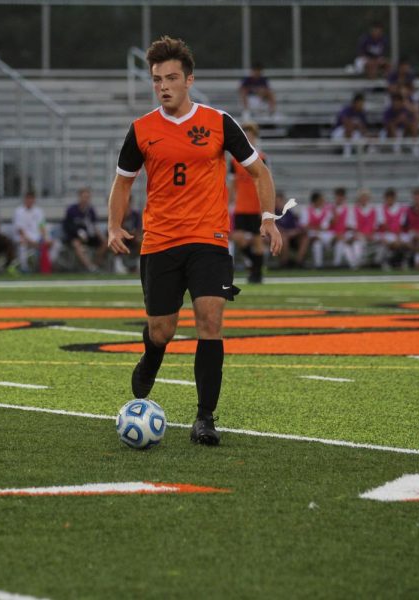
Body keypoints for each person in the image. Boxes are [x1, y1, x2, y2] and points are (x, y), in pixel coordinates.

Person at [106, 36, 282, 446]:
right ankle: (153, 353)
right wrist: (114, 227)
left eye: (170, 78)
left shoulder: (219, 122)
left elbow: (260, 172)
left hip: (209, 239)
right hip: (161, 242)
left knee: (210, 321)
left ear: (189, 80)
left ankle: (205, 419)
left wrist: (269, 219)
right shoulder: (141, 130)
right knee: (163, 330)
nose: (163, 86)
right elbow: (122, 184)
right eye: (156, 79)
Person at [229, 121, 268, 282]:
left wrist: (265, 206)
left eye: (250, 134)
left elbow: (266, 181)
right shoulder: (234, 160)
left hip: (256, 206)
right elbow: (232, 183)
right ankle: (255, 266)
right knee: (238, 238)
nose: (248, 137)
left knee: (258, 241)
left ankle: (256, 274)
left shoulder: (262, 158)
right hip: (241, 206)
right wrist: (230, 202)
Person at [63, 187, 106, 272]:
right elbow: (67, 226)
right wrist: (78, 233)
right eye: (84, 197)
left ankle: (96, 264)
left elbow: (94, 226)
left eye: (87, 197)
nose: (85, 199)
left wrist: (102, 238)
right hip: (75, 236)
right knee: (76, 243)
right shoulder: (72, 210)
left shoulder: (90, 211)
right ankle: (90, 267)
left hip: (89, 236)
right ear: (79, 197)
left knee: (105, 242)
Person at [12, 190, 50, 273]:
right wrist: (31, 242)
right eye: (28, 199)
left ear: (34, 200)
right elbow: (20, 230)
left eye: (31, 199)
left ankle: (46, 267)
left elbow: (42, 226)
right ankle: (24, 267)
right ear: (25, 199)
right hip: (23, 237)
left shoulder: (39, 211)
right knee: (22, 243)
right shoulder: (19, 211)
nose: (29, 201)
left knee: (53, 243)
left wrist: (44, 239)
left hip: (36, 237)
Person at [376, 188, 408, 268]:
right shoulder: (380, 209)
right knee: (392, 242)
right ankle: (389, 261)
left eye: (391, 198)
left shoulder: (401, 208)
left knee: (407, 243)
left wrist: (398, 236)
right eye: (388, 198)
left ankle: (402, 260)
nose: (390, 200)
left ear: (394, 198)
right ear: (385, 198)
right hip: (386, 233)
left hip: (398, 233)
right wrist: (396, 235)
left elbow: (401, 225)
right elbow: (384, 225)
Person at [274, 191, 307, 268]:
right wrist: (287, 233)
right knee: (284, 238)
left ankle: (299, 262)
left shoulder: (289, 213)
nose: (278, 203)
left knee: (304, 238)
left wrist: (295, 232)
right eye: (276, 201)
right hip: (279, 237)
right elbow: (275, 227)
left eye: (280, 201)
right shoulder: (272, 213)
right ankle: (284, 262)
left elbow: (296, 227)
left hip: (291, 236)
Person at [348, 189, 378, 269]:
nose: (363, 199)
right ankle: (356, 265)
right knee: (356, 244)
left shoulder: (373, 210)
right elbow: (352, 226)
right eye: (362, 197)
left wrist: (370, 234)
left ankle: (358, 264)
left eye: (365, 197)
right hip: (359, 235)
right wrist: (360, 235)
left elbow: (375, 225)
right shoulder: (353, 209)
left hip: (370, 235)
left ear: (368, 198)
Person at [328, 187, 355, 268]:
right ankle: (353, 264)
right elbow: (326, 225)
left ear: (344, 197)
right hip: (331, 235)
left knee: (341, 244)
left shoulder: (348, 209)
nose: (339, 198)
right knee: (342, 242)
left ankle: (337, 264)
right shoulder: (329, 208)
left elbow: (350, 226)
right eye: (338, 196)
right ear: (335, 197)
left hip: (343, 235)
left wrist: (341, 234)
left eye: (341, 196)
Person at [305, 191, 332, 268]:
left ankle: (319, 264)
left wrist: (313, 226)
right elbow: (304, 226)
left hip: (323, 234)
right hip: (312, 234)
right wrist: (316, 228)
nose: (323, 201)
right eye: (321, 200)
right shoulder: (307, 210)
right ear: (316, 201)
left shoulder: (327, 210)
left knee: (318, 242)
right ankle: (318, 265)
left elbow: (325, 227)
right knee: (317, 244)